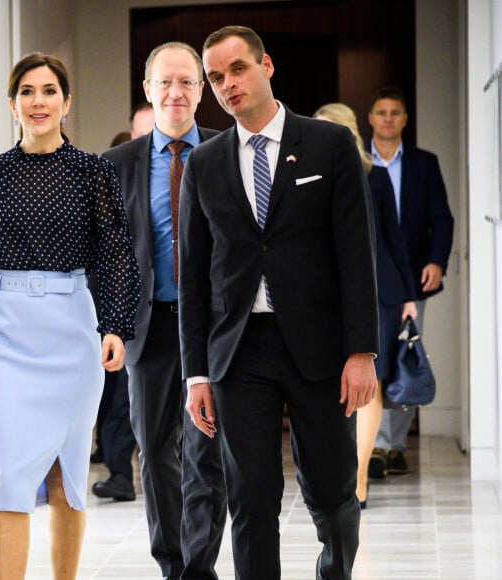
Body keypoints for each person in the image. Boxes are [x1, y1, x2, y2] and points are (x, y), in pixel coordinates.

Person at [0, 52, 140, 580]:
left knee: (66, 476)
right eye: (27, 91)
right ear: (12, 104)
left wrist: (115, 324)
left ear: (66, 103)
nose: (38, 101)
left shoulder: (94, 172)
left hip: (74, 332)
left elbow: (115, 250)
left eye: (49, 91)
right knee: (11, 477)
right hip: (7, 334)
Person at [179, 26, 379, 580]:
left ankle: (334, 571)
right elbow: (194, 278)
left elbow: (355, 255)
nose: (227, 85)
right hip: (238, 353)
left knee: (334, 491)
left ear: (267, 66)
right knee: (250, 497)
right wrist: (196, 374)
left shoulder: (328, 144)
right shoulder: (204, 164)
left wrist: (362, 350)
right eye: (216, 78)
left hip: (320, 348)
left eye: (236, 69)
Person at [102, 42, 227, 580]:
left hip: (216, 330)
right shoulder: (114, 165)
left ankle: (199, 567)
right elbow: (101, 255)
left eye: (187, 82)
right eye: (165, 83)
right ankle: (173, 566)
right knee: (154, 453)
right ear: (148, 90)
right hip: (148, 329)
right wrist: (109, 322)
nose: (176, 92)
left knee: (208, 454)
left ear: (202, 91)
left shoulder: (228, 153)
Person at [314, 102, 418, 508]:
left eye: (325, 130)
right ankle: (341, 476)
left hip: (378, 292)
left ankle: (358, 481)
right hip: (327, 296)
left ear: (344, 133)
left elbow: (394, 238)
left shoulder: (372, 176)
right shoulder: (306, 176)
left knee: (368, 385)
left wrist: (409, 295)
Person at [367, 87, 454, 478]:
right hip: (368, 280)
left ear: (404, 119)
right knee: (374, 359)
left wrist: (437, 261)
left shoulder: (424, 164)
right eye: (381, 112)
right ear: (370, 118)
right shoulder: (359, 162)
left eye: (395, 112)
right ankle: (374, 446)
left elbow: (443, 218)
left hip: (414, 278)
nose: (388, 118)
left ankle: (393, 446)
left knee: (405, 359)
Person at [91, 104, 155, 500]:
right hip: (118, 301)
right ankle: (119, 471)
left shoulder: (196, 169)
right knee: (115, 389)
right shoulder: (112, 175)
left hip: (169, 305)